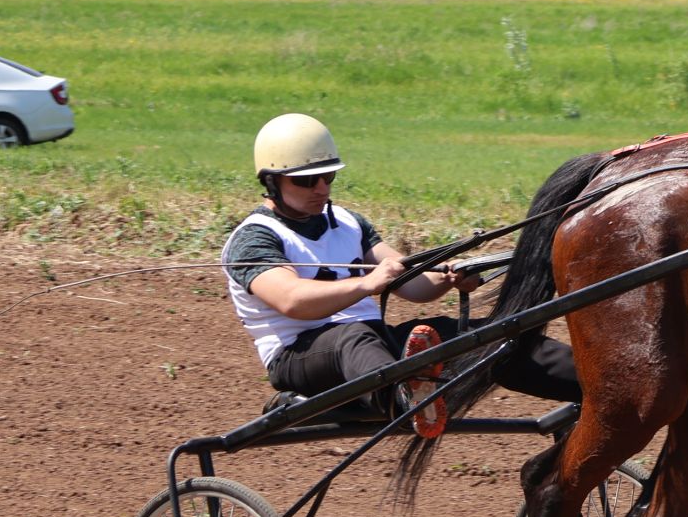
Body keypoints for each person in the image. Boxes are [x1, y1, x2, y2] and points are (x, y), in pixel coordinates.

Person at [221, 114, 580, 436]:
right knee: (353, 336)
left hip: (372, 348)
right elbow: (291, 300)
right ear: (271, 182)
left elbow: (412, 282)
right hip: (299, 357)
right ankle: (407, 402)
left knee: (479, 335)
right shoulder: (255, 237)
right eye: (308, 180)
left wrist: (448, 277)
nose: (322, 188)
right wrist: (366, 283)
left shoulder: (347, 222)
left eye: (328, 176)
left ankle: (593, 381)